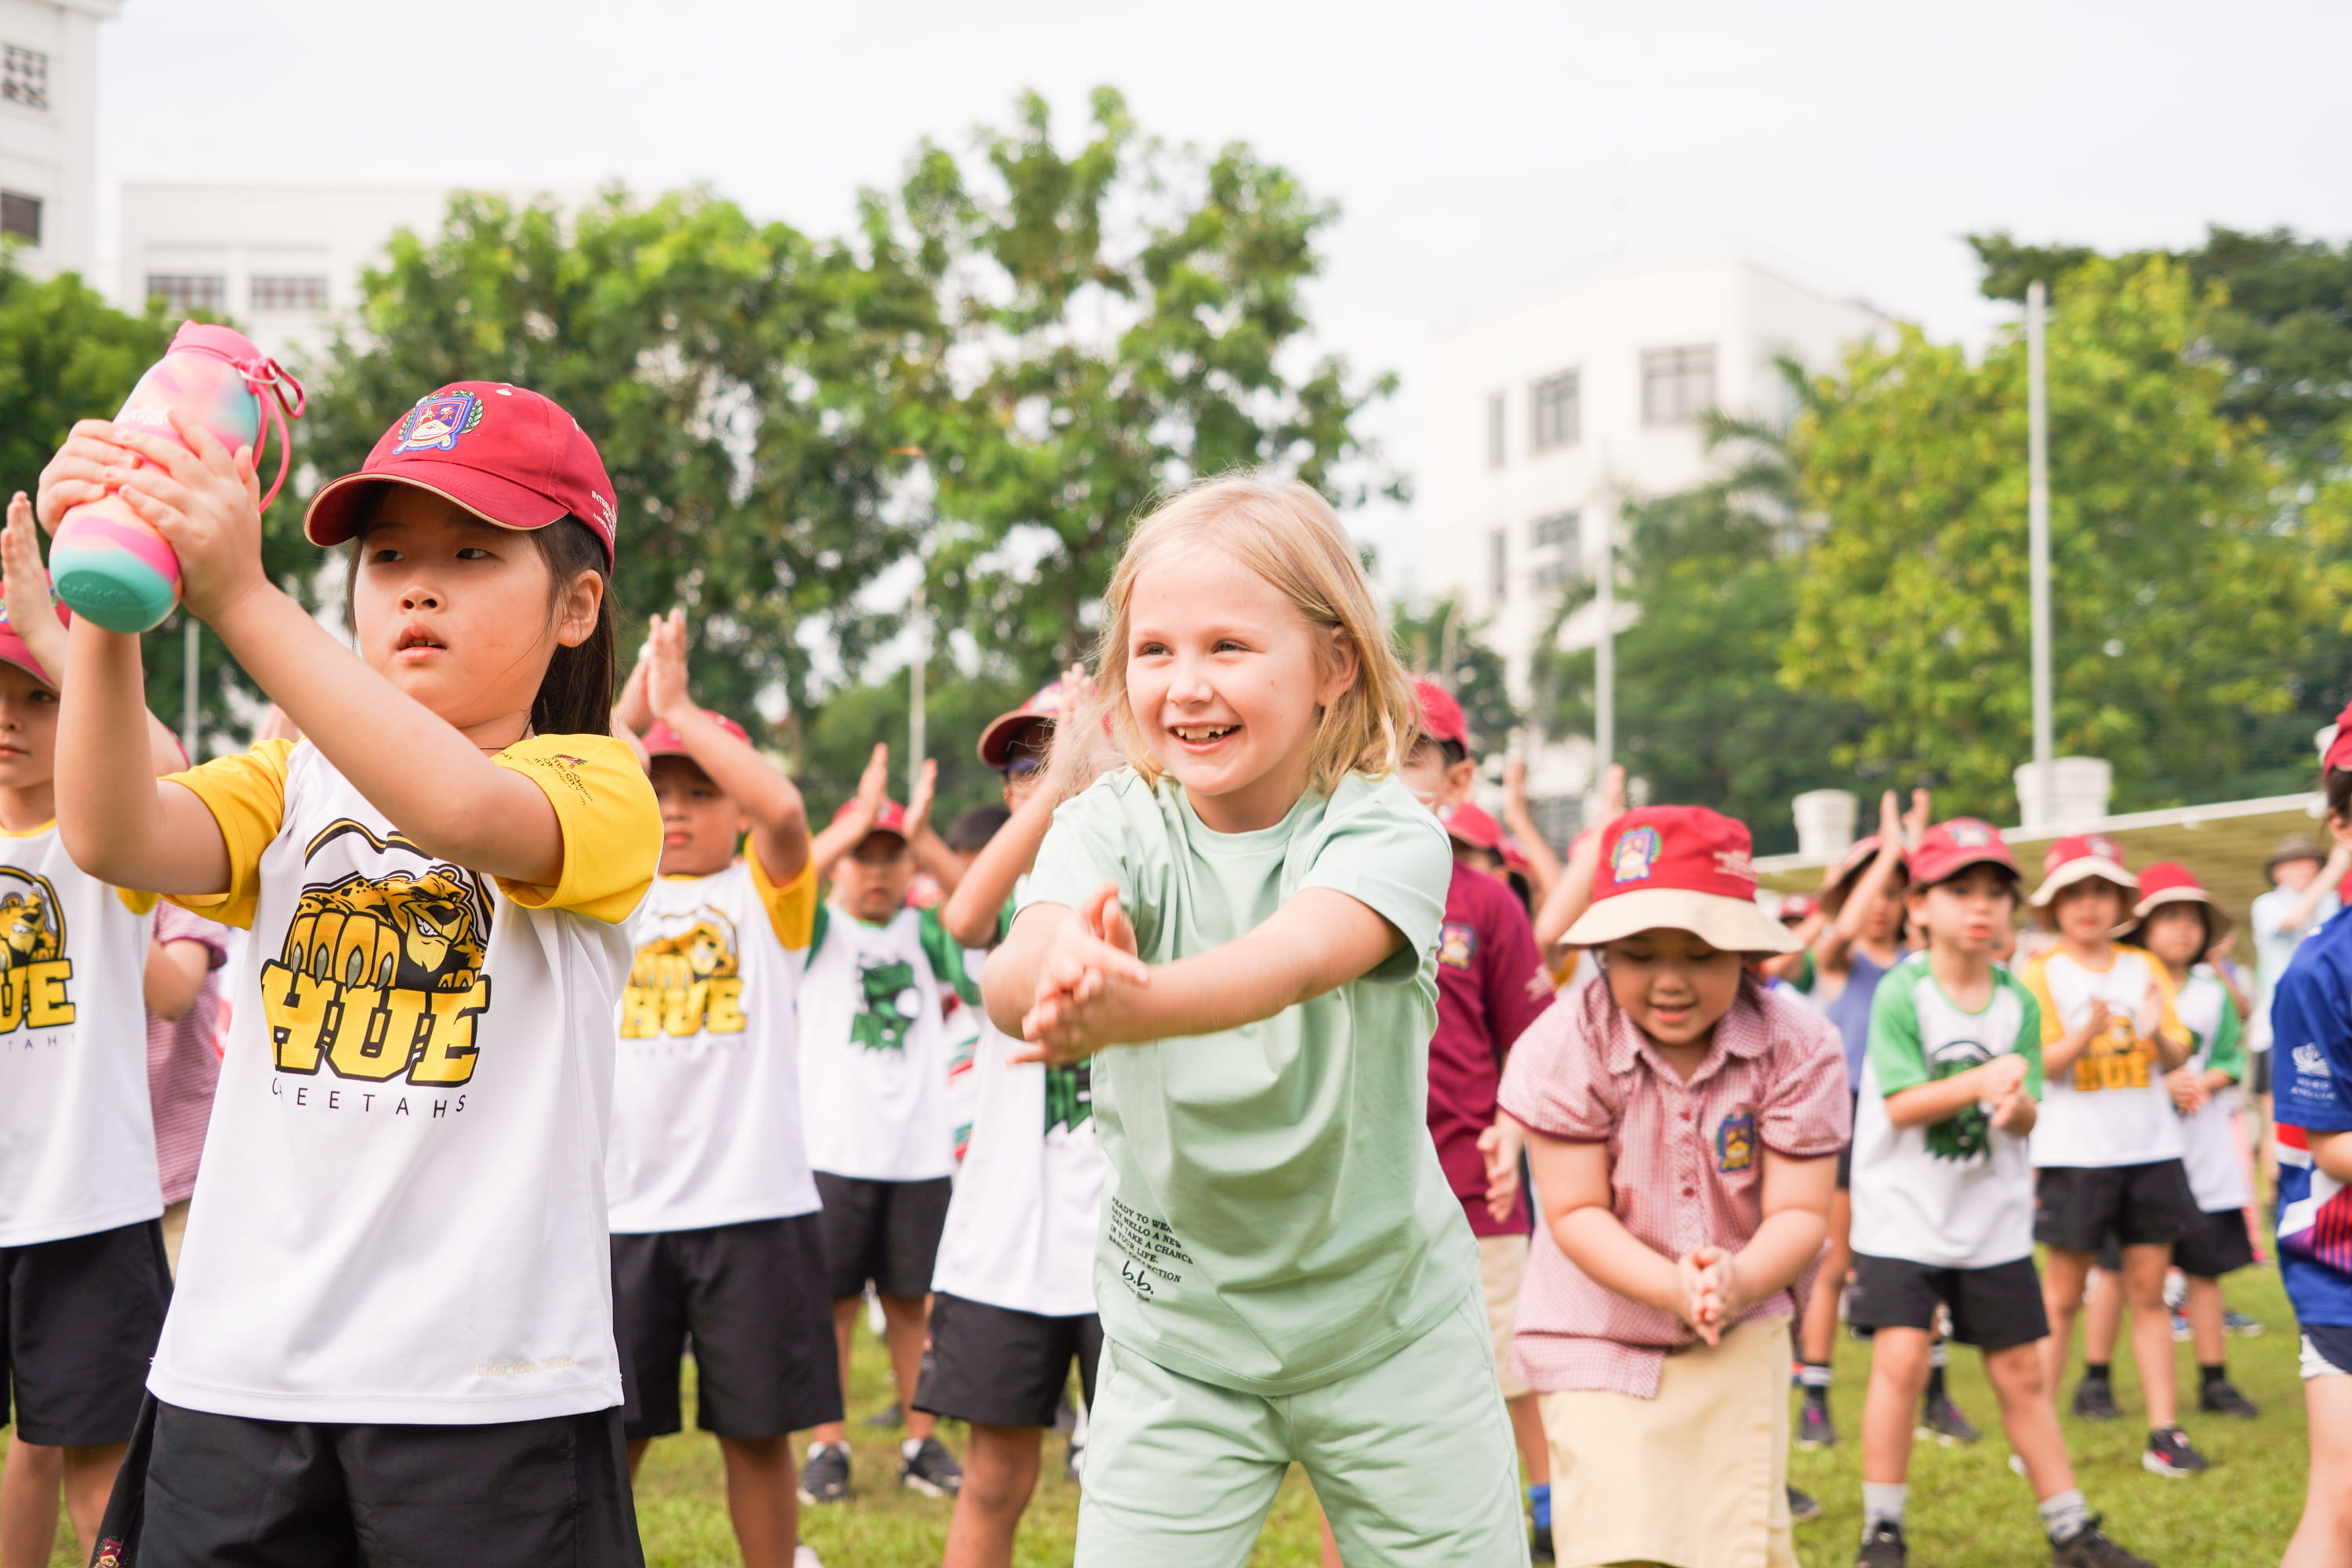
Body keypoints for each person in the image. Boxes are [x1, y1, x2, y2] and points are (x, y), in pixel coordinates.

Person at [46, 382, 662, 1566]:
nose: (418, 587)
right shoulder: (285, 786)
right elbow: (112, 834)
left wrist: (239, 595)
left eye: (474, 554)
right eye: (387, 558)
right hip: (238, 1374)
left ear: (577, 605)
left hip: (487, 1396)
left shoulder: (596, 783)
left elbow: (463, 805)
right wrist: (107, 606)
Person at [985, 475, 1523, 1566]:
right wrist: (1054, 983)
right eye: (1155, 651)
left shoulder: (1388, 832)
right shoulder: (1112, 823)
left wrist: (1130, 1006)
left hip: (1390, 1335)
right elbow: (1020, 958)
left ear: (1336, 665)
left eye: (1230, 646)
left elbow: (1290, 962)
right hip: (1177, 1341)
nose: (1186, 687)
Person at [1500, 803, 1846, 1568]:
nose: (1668, 979)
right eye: (1639, 952)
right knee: (1614, 1543)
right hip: (1593, 1327)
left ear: (1744, 953)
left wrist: (1736, 1275)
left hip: (1737, 1321)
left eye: (1698, 952)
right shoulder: (1565, 1042)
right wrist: (1670, 1285)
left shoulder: (1801, 1045)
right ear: (1605, 955)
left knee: (1733, 1542)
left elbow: (1798, 1208)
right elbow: (1574, 1209)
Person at [604, 608, 855, 1568]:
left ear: (735, 804)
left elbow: (787, 814)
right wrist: (640, 707)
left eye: (701, 789)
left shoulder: (766, 894)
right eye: (661, 788)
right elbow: (578, 754)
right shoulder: (612, 890)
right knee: (612, 1426)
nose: (675, 807)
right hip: (624, 1211)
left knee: (756, 1429)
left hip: (754, 1208)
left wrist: (680, 709)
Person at [1846, 819, 2156, 1568]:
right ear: (1920, 905)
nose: (1979, 908)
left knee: (2020, 1372)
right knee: (1901, 1361)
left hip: (1992, 1222)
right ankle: (1881, 1530)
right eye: (1959, 891)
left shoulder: (2017, 1000)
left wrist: (2017, 1109)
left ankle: (2071, 1530)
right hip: (1901, 1220)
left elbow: (2024, 1115)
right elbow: (1899, 1103)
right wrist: (1981, 1084)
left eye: (1995, 892)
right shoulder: (1902, 991)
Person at [0, 499, 181, 1568]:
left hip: (82, 1212)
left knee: (97, 1470)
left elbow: (156, 755)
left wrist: (55, 632)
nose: (15, 718)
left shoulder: (98, 842)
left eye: (39, 696)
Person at [921, 672, 1114, 1568]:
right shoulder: (1014, 888)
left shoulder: (1147, 863)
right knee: (995, 1475)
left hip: (1132, 1239)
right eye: (1023, 764)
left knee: (1134, 1483)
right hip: (1008, 1239)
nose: (1040, 773)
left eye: (1063, 749)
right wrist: (1056, 791)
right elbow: (962, 914)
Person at [1399, 678, 1556, 1556]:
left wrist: (1514, 1127)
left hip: (1477, 1185)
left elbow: (1532, 1042)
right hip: (1360, 1196)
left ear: (1459, 780)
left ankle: (1546, 1510)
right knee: (1366, 1403)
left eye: (1415, 753)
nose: (1389, 767)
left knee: (1509, 1369)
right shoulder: (1311, 883)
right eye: (1372, 743)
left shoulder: (1488, 902)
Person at [797, 760, 971, 1505]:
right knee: (831, 1303)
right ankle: (827, 1446)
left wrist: (925, 838)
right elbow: (789, 880)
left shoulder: (928, 931)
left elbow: (981, 901)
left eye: (889, 855)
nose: (876, 870)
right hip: (832, 1151)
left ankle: (919, 1439)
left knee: (912, 1304)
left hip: (919, 1153)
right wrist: (855, 819)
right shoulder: (813, 927)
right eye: (863, 854)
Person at [2016, 837, 2205, 1478]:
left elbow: (2178, 1053)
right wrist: (2085, 1033)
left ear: (2121, 901)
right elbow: (2036, 1066)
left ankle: (2164, 1431)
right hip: (2074, 1157)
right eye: (2074, 893)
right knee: (2062, 1296)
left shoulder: (2144, 966)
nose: (2088, 905)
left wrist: (2154, 1035)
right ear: (2054, 906)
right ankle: (2032, 1433)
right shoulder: (2040, 971)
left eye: (2100, 891)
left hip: (2151, 1151)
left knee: (2150, 1293)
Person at [1800, 791, 1980, 1450]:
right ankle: (1814, 1395)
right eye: (1867, 889)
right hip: (1844, 1113)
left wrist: (1923, 855)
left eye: (1896, 889)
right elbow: (1841, 927)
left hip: (1912, 1115)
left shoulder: (1923, 967)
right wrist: (1889, 846)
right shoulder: (1837, 960)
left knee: (1924, 1249)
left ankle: (1937, 1396)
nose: (1880, 901)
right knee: (1832, 1259)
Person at [2106, 864, 2257, 1419]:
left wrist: (2201, 1081)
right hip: (2136, 1147)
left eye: (2193, 919)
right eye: (2169, 917)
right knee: (2121, 1267)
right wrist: (2165, 1080)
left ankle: (2214, 1378)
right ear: (2141, 926)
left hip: (2204, 1146)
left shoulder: (2214, 990)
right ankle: (2097, 1377)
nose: (2183, 930)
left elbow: (2230, 1058)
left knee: (2205, 1265)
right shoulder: (2123, 983)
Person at [2274, 707, 2352, 1568]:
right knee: (2344, 1499)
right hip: (2344, 1260)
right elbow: (2331, 1142)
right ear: (2341, 821)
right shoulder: (2322, 967)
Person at [2253, 834, 2343, 1193]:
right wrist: (2334, 870)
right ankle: (2276, 1198)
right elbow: (2294, 920)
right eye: (2298, 861)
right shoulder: (2266, 905)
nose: (2309, 866)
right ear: (2278, 872)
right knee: (2277, 1118)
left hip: (2325, 1027)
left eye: (2313, 860)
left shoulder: (2333, 902)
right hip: (2276, 1029)